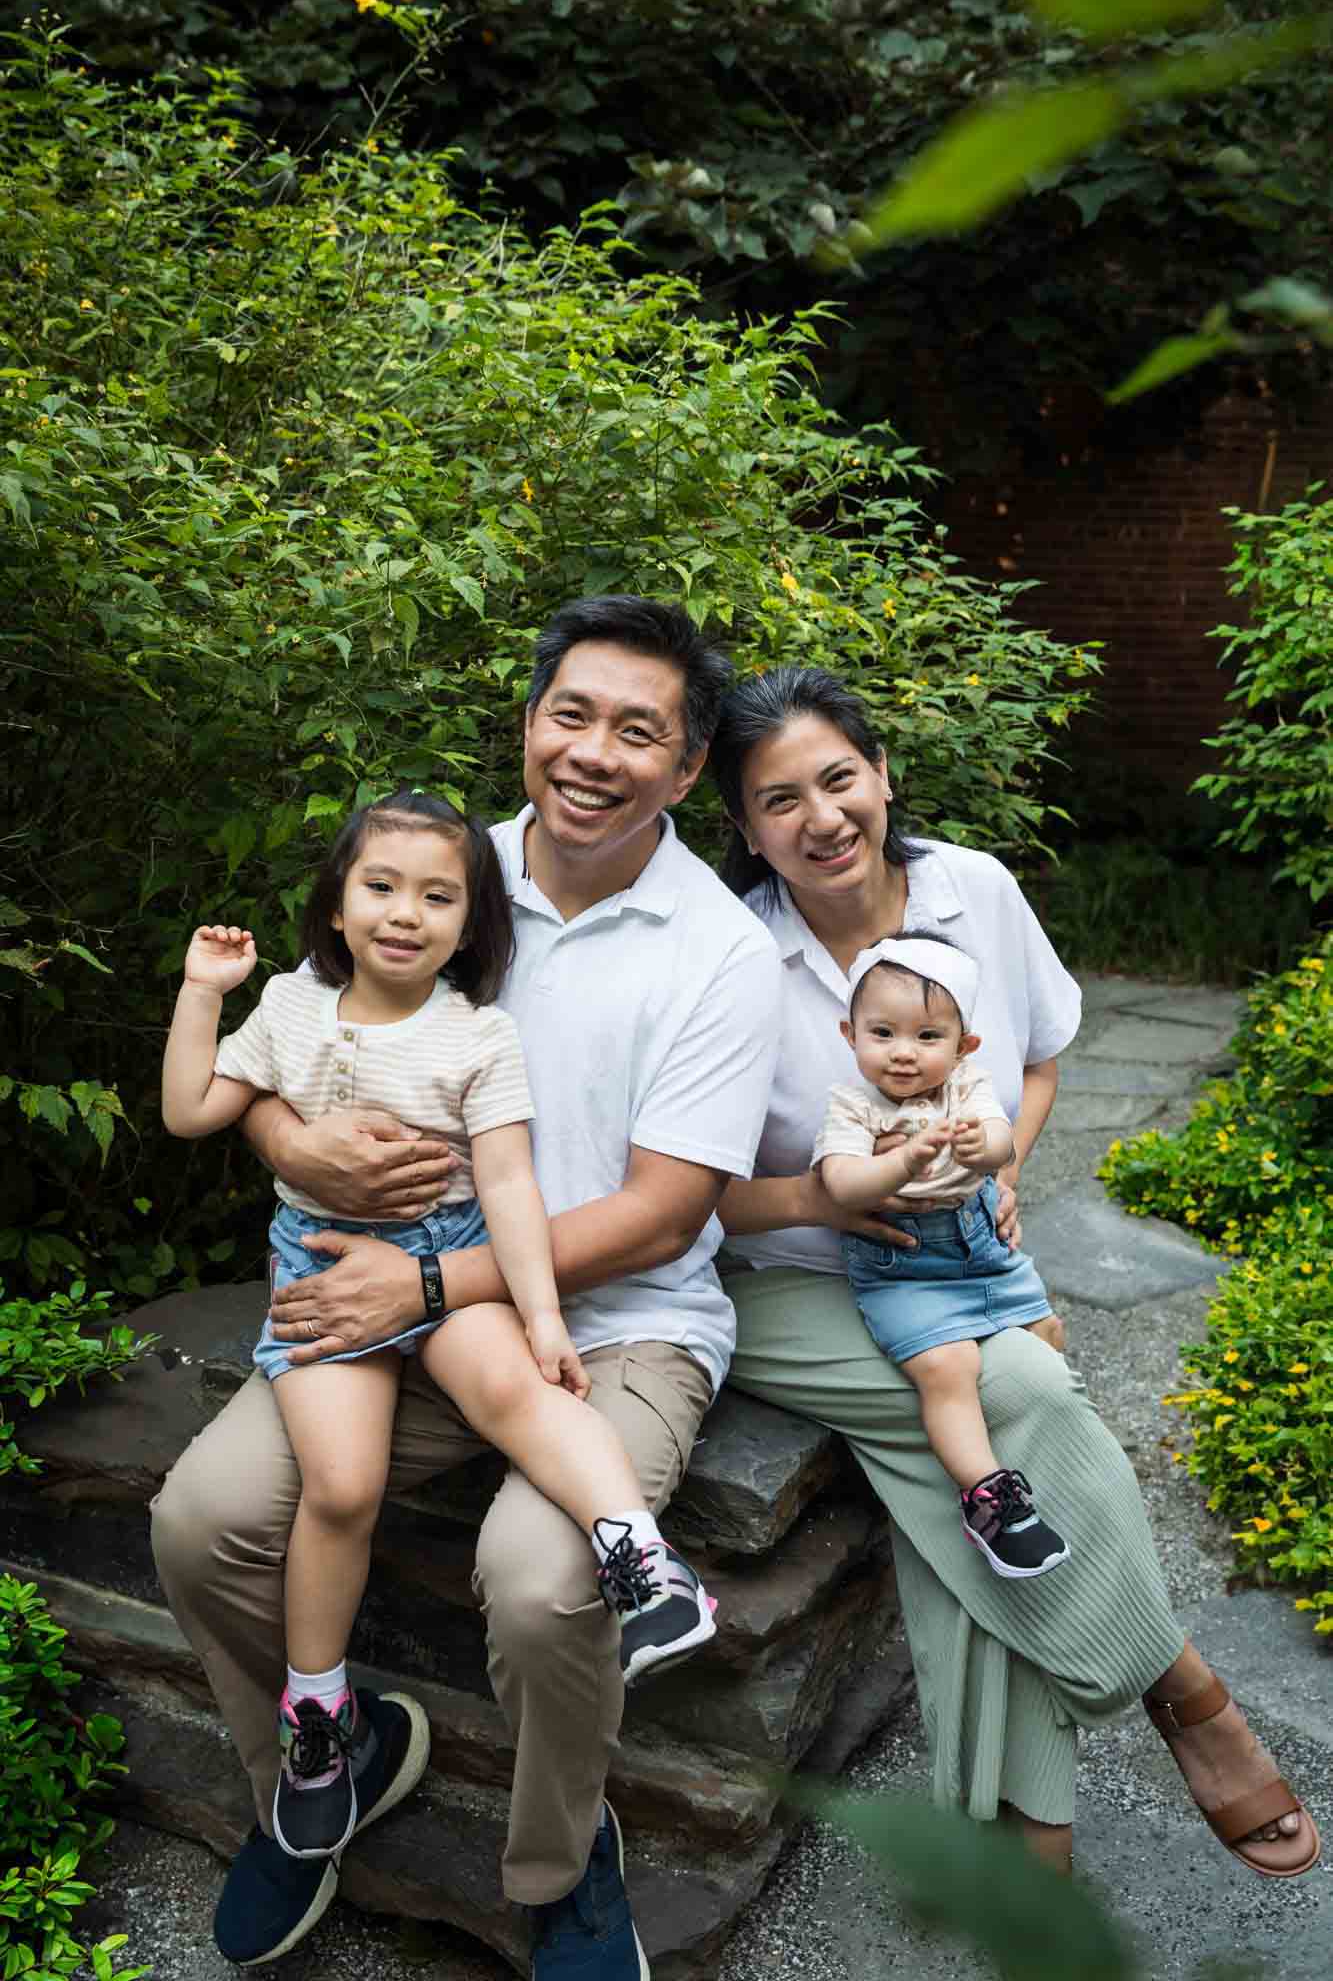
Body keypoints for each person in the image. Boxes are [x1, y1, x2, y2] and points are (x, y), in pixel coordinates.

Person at [149, 599, 782, 1975]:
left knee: (544, 1578)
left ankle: (560, 1863)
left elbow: (663, 1209)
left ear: (684, 772)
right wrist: (291, 1140)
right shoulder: (435, 871)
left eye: (640, 732)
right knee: (200, 1522)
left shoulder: (724, 954)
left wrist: (426, 1277)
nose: (596, 752)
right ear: (529, 719)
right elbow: (282, 1062)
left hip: (608, 1326)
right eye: (574, 712)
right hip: (374, 1298)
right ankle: (326, 1761)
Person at [707, 663, 1320, 1882]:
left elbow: (1033, 1058)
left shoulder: (970, 889)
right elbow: (691, 1190)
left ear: (881, 774)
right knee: (1025, 1401)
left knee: (972, 1498)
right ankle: (1184, 1688)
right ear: (740, 825)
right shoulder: (730, 958)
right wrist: (830, 1194)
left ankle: (1019, 1836)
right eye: (779, 800)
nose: (820, 816)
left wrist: (1000, 1163)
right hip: (782, 1273)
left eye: (838, 778)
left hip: (958, 1257)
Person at [160, 789, 717, 1864]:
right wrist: (200, 992)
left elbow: (510, 1187)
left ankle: (644, 1561)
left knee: (515, 1389)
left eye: (437, 895)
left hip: (448, 1264)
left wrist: (543, 1316)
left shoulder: (478, 1035)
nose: (405, 912)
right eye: (380, 886)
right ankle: (319, 1721)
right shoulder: (286, 1006)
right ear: (334, 906)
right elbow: (192, 1111)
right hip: (322, 1268)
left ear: (472, 925)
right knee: (340, 1483)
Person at [816, 930, 1068, 1578]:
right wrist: (902, 1160)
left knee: (1045, 1335)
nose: (903, 1054)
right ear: (850, 1036)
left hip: (983, 1248)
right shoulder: (852, 1105)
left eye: (927, 1037)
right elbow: (841, 1184)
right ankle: (988, 1500)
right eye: (882, 1033)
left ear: (963, 1048)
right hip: (904, 1272)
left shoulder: (967, 1087)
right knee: (946, 1367)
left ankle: (1039, 1462)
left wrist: (977, 1148)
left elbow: (998, 1145)